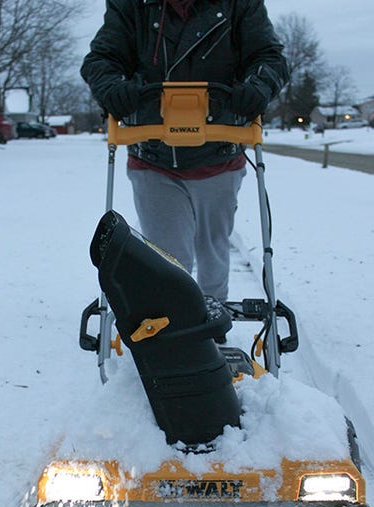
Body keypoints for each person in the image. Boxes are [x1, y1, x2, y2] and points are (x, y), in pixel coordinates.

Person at [81, 0, 288, 303]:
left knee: (212, 247)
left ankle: (213, 317)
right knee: (167, 256)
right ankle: (177, 329)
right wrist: (112, 87)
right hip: (154, 153)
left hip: (219, 151)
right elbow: (101, 59)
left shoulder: (239, 5)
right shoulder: (132, 6)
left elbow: (269, 57)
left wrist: (258, 85)